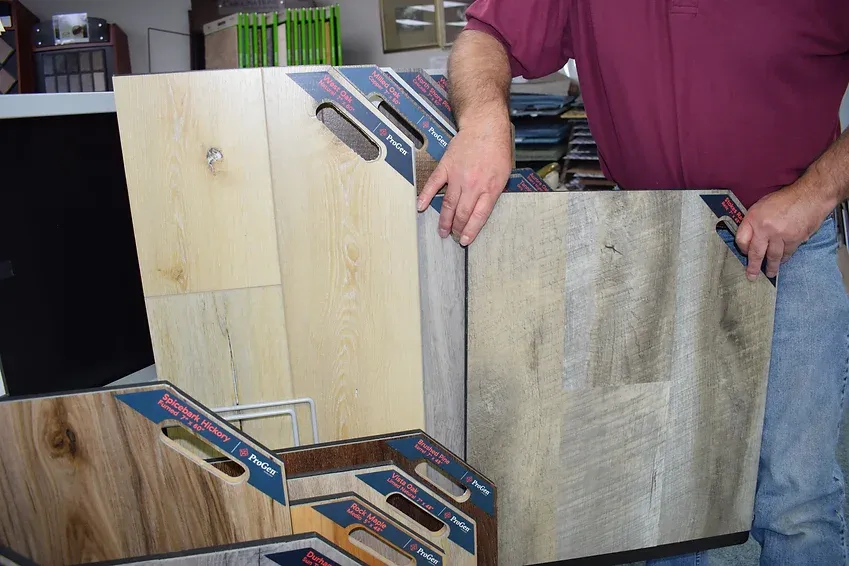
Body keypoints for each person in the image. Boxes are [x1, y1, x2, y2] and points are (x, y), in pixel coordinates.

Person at [416, 2, 849, 564]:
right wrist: (483, 119)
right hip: (655, 247)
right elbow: (485, 36)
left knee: (797, 503)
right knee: (662, 507)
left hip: (788, 246)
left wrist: (814, 195)